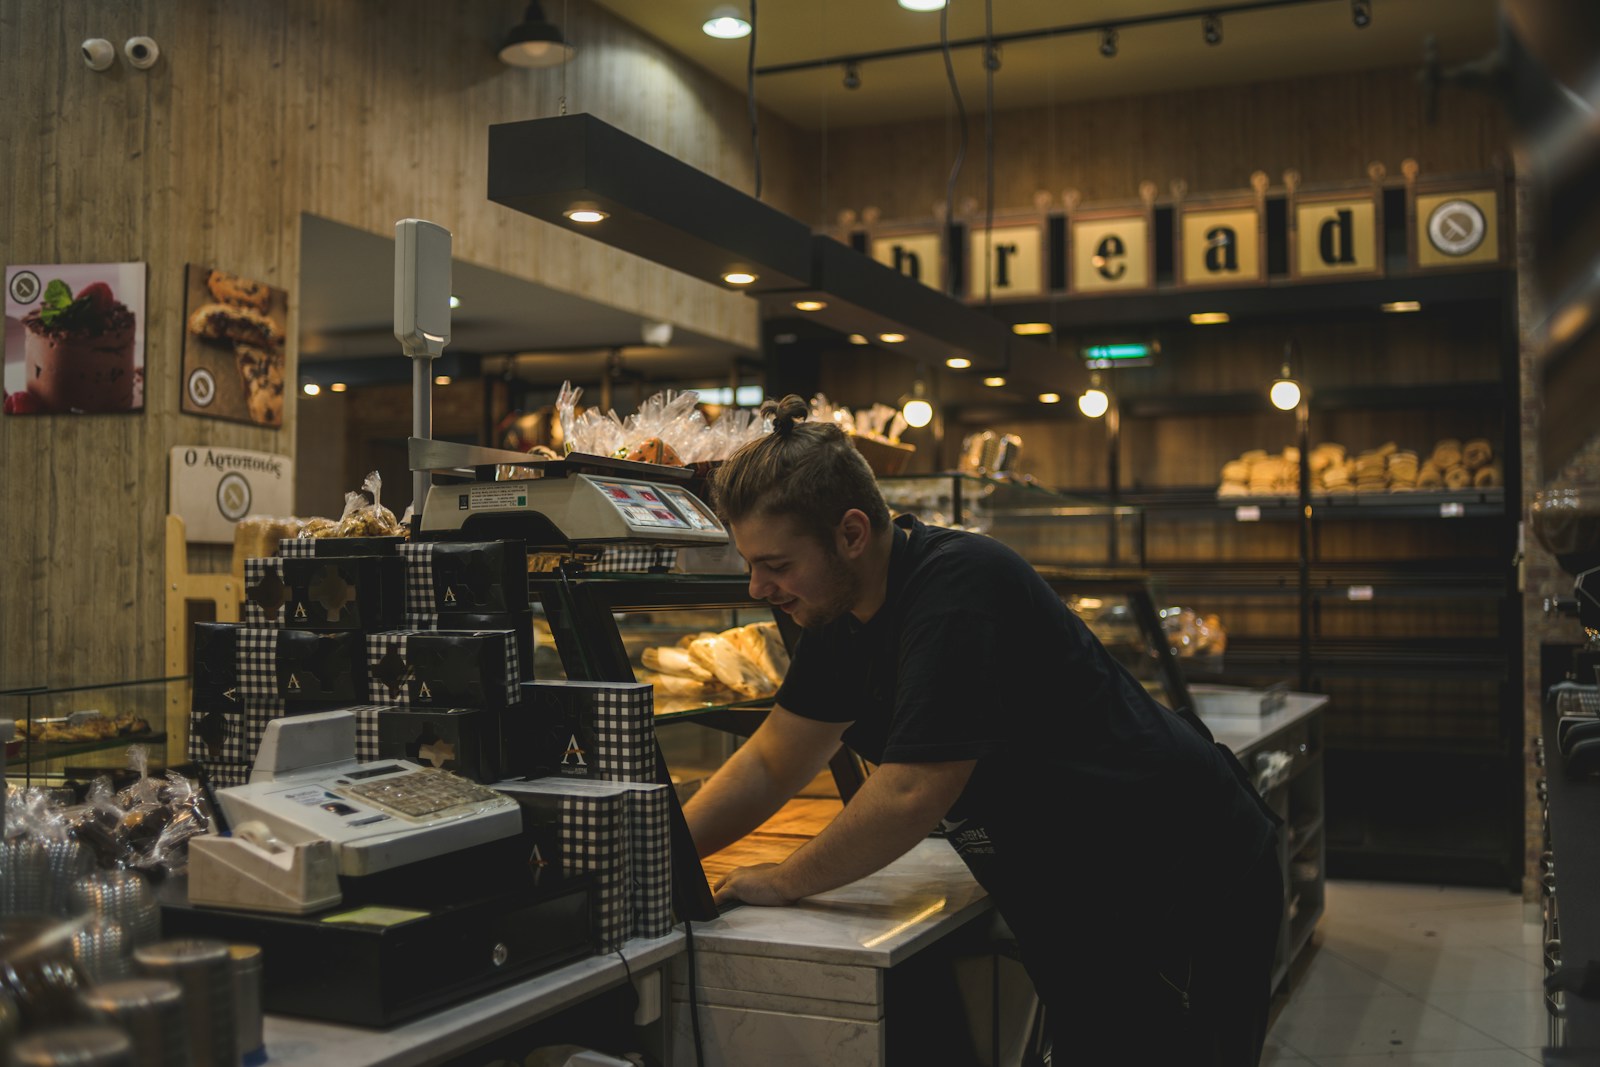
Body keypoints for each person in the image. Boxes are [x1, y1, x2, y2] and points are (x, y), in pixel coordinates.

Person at [683, 395, 1285, 1065]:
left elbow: (914, 789)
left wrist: (788, 877)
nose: (758, 585)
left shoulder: (957, 587)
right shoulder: (835, 611)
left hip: (1182, 873)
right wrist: (666, 852)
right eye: (750, 563)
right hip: (1079, 892)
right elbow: (772, 759)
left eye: (776, 563)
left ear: (852, 533)